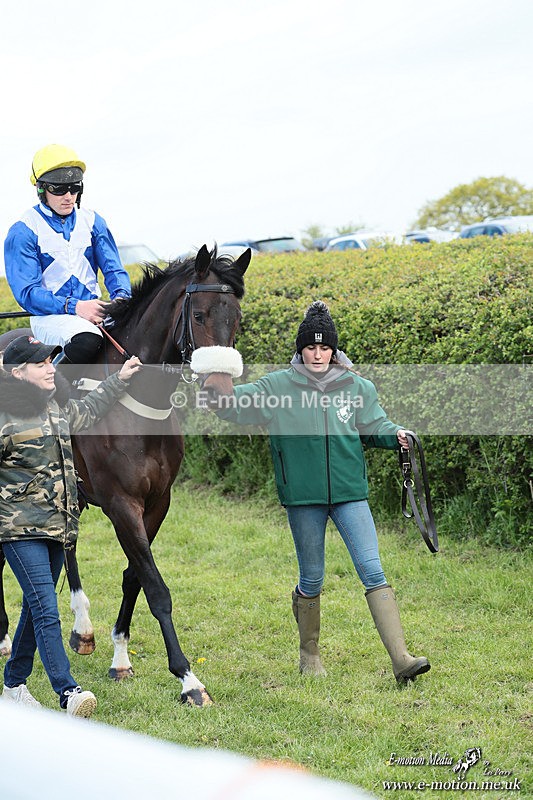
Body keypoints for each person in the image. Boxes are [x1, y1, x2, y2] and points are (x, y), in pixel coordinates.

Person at [194, 301, 430, 683]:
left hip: (350, 493)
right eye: (311, 348)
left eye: (324, 348)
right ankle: (310, 655)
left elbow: (374, 426)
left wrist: (396, 435)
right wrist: (215, 385)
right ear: (300, 349)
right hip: (303, 497)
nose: (318, 355)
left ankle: (401, 659)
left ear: (333, 350)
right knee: (313, 578)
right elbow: (235, 406)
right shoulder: (277, 386)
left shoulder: (357, 386)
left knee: (372, 569)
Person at [0, 335, 142, 715]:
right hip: (18, 531)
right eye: (40, 363)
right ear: (16, 373)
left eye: (50, 360)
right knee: (47, 608)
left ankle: (13, 684)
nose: (50, 367)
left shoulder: (53, 408)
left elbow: (89, 409)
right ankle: (68, 691)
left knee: (35, 608)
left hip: (60, 528)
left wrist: (121, 378)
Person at [4, 144, 131, 365]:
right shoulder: (23, 231)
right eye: (59, 189)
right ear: (41, 189)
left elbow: (114, 269)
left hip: (94, 311)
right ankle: (53, 392)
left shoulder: (93, 221)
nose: (69, 197)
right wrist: (75, 306)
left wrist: (121, 298)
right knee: (87, 338)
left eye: (74, 188)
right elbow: (27, 293)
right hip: (50, 317)